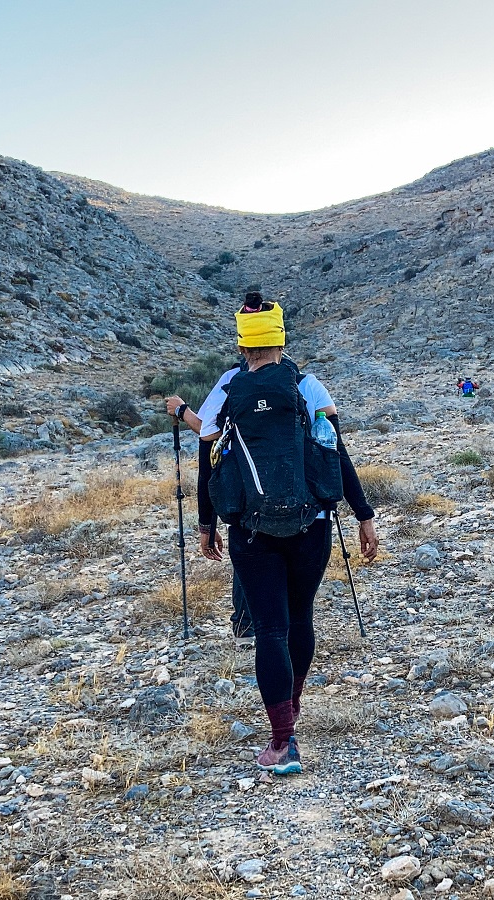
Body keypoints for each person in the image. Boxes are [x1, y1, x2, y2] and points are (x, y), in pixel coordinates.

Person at [190, 290, 379, 776]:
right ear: (280, 336)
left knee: (268, 629)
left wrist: (207, 522)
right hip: (311, 524)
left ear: (241, 341)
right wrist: (363, 514)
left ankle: (282, 740)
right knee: (300, 619)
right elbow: (336, 454)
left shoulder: (229, 388)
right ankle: (290, 710)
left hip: (250, 530)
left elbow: (209, 458)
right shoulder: (309, 386)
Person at [166, 387, 254, 641]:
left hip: (244, 488)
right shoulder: (298, 378)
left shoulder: (232, 380)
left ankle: (246, 628)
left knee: (248, 550)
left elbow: (209, 433)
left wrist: (182, 411)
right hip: (293, 490)